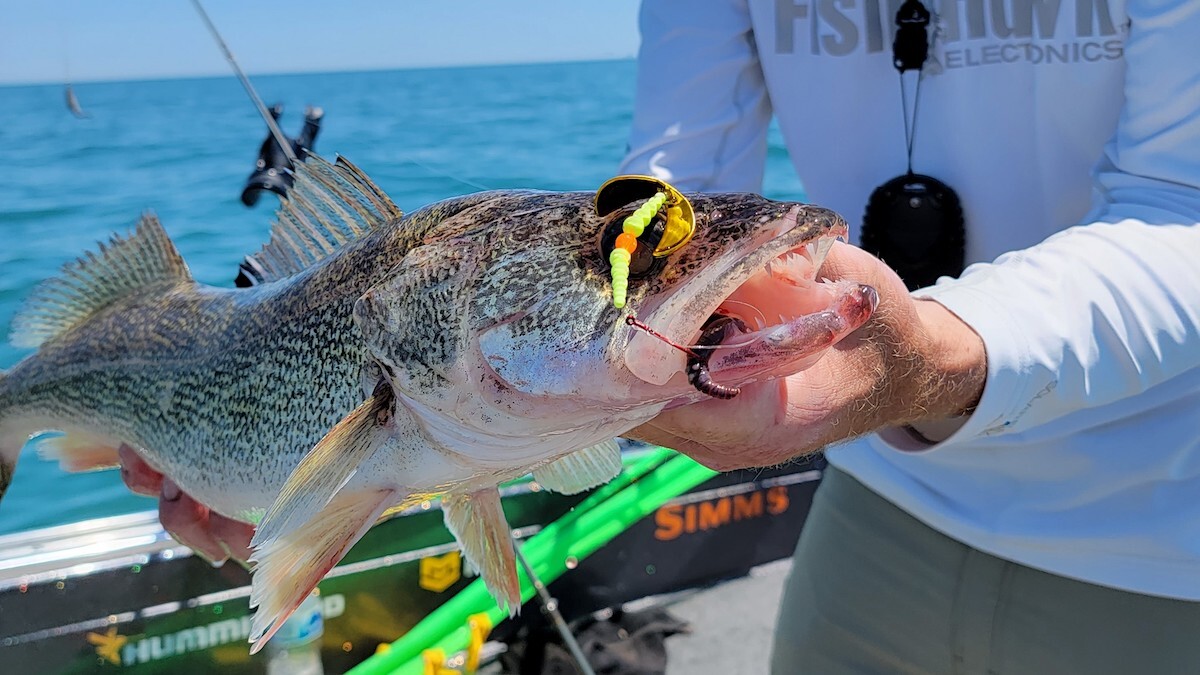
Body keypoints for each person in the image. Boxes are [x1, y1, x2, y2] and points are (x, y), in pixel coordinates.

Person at [619, 0, 1200, 673]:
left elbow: (1184, 206)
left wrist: (922, 359)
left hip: (1162, 535)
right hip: (883, 498)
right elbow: (677, 200)